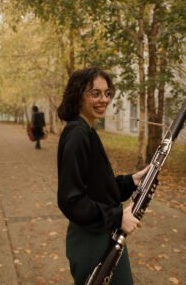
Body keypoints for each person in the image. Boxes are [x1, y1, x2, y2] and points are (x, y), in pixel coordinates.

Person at [57, 67, 149, 285]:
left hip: (103, 233)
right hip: (91, 240)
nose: (104, 99)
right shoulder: (77, 135)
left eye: (107, 93)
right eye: (95, 93)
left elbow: (99, 187)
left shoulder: (87, 131)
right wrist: (118, 217)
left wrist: (131, 181)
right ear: (78, 95)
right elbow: (71, 201)